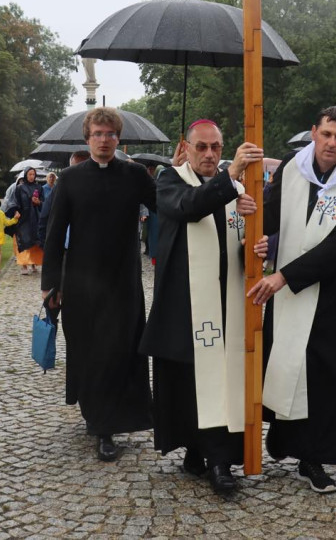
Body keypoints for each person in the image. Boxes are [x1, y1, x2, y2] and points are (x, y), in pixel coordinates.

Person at [249, 106, 336, 494]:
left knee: (323, 374)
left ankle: (314, 457)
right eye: (327, 135)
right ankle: (284, 437)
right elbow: (272, 214)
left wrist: (284, 276)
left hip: (330, 292)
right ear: (313, 133)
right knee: (287, 362)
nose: (332, 143)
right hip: (286, 288)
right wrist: (258, 231)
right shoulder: (291, 167)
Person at [140, 119, 261, 494]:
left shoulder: (239, 190)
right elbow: (191, 208)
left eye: (216, 148)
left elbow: (237, 249)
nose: (210, 155)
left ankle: (220, 460)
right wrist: (232, 176)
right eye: (202, 147)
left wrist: (256, 245)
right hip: (184, 306)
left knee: (221, 381)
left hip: (225, 304)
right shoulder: (170, 181)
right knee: (189, 384)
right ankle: (195, 448)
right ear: (187, 148)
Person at [42, 107, 156, 462]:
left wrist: (180, 173)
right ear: (87, 138)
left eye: (110, 134)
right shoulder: (71, 179)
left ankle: (120, 416)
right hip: (81, 283)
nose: (104, 140)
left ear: (118, 138)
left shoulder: (135, 175)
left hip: (123, 281)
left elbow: (166, 207)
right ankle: (101, 426)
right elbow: (55, 233)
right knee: (92, 352)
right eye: (98, 134)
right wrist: (50, 284)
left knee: (122, 350)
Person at [12, 167, 45, 274]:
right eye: (29, 174)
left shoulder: (39, 188)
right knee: (23, 239)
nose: (31, 176)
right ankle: (24, 265)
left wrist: (38, 202)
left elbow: (44, 203)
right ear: (26, 175)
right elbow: (15, 202)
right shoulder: (20, 188)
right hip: (23, 217)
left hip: (35, 217)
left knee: (35, 240)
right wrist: (16, 211)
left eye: (33, 174)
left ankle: (34, 263)